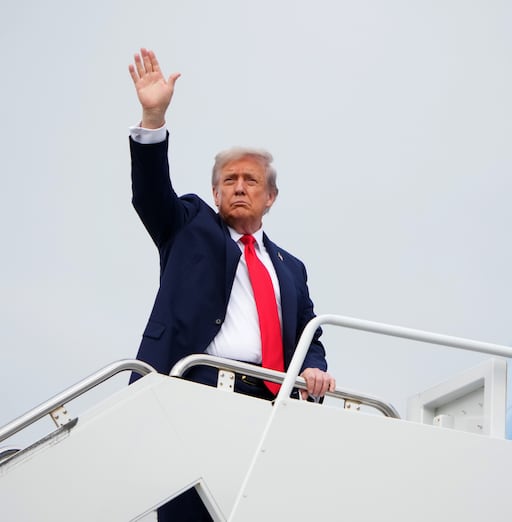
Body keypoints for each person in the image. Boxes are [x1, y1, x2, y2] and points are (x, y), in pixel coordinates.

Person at [127, 48, 335, 520]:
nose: (239, 187)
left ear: (270, 196)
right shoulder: (190, 225)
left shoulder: (290, 267)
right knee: (189, 511)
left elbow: (309, 333)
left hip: (267, 406)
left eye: (250, 180)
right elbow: (150, 193)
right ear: (216, 191)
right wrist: (153, 116)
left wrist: (316, 368)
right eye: (229, 180)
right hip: (195, 390)